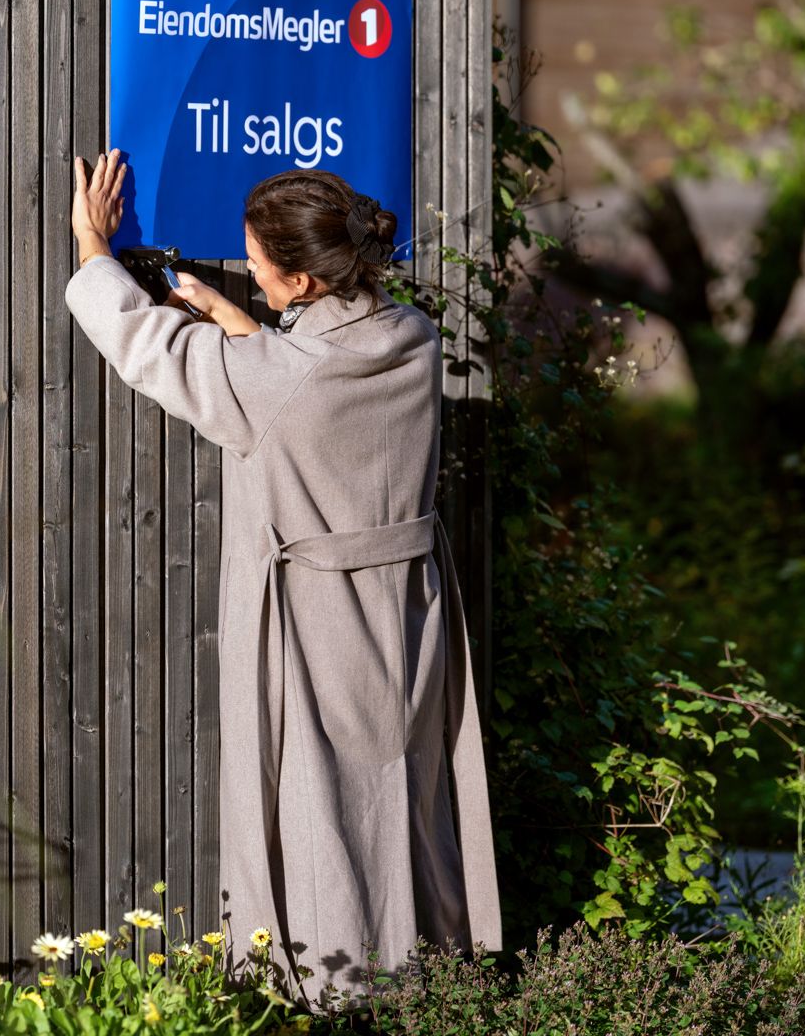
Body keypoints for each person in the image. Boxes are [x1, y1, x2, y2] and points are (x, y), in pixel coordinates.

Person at [64, 148, 501, 999]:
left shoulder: (275, 380)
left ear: (303, 281)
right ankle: (426, 973)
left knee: (319, 807)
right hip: (406, 620)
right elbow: (308, 378)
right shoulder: (411, 338)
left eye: (261, 267)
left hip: (316, 625)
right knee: (402, 795)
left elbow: (142, 342)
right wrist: (241, 323)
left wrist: (92, 245)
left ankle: (328, 988)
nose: (253, 278)